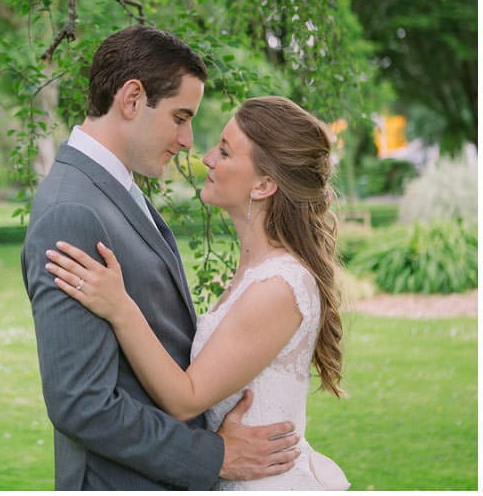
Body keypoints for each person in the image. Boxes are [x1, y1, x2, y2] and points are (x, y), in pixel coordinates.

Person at [21, 26, 300, 490]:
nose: (189, 140)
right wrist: (214, 457)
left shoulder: (114, 191)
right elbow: (80, 403)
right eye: (180, 117)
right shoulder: (73, 210)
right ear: (132, 99)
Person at [44, 95, 350, 490]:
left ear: (264, 184)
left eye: (224, 151)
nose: (206, 158)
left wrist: (120, 307)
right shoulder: (256, 273)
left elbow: (187, 397)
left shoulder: (279, 287)